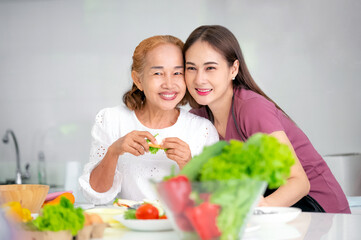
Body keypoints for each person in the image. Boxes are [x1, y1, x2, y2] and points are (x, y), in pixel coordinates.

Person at [183, 25, 350, 213]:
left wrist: (255, 210)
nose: (199, 79)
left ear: (233, 69)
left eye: (210, 68)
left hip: (318, 209)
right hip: (269, 210)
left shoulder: (251, 108)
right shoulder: (198, 119)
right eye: (191, 68)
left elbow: (299, 183)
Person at [79, 35, 219, 204]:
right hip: (128, 226)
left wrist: (188, 165)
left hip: (177, 228)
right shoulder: (111, 119)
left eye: (177, 73)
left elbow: (211, 202)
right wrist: (114, 151)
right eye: (158, 73)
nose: (169, 83)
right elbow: (95, 195)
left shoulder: (202, 129)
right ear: (138, 80)